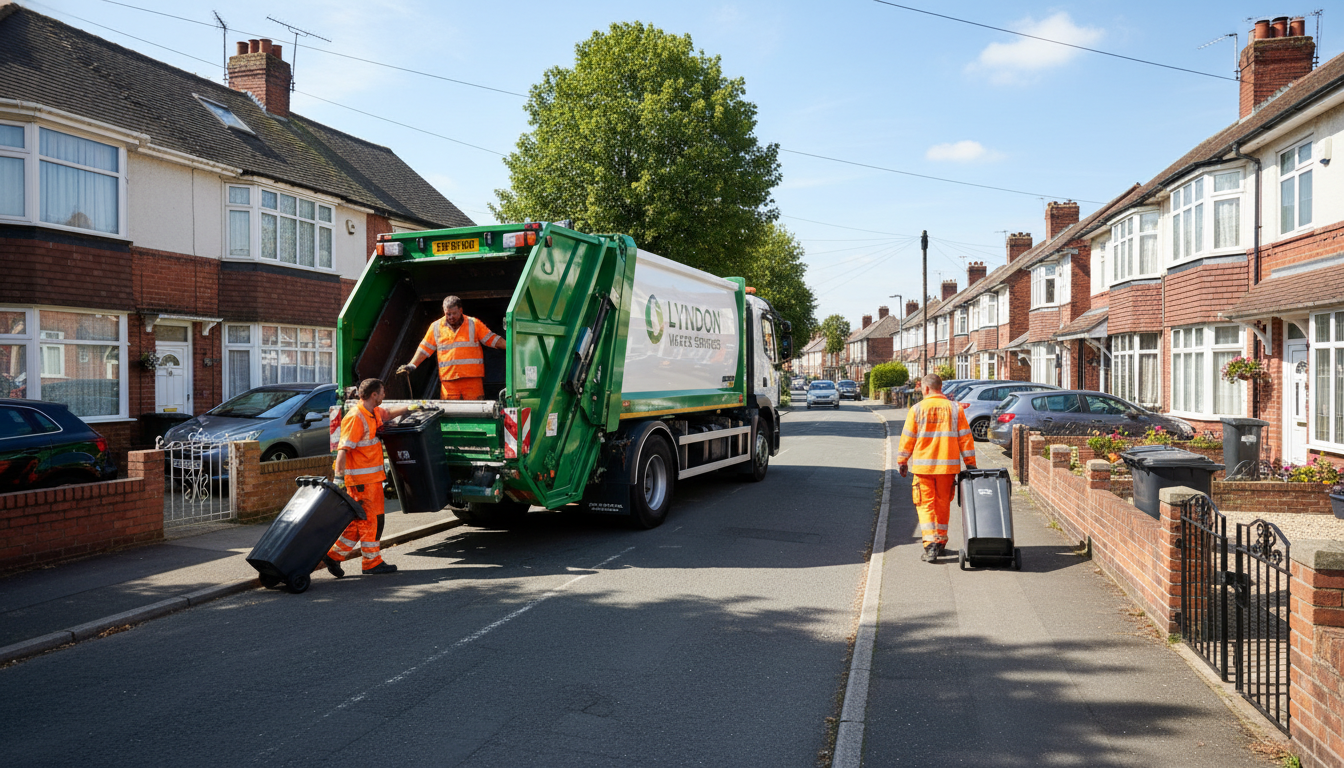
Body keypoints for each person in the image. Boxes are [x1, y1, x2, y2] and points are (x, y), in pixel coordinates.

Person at [322, 378, 414, 577]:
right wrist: (339, 479)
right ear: (374, 395)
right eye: (382, 393)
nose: (384, 396)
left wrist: (409, 408)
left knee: (361, 522)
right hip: (361, 483)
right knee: (371, 522)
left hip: (371, 480)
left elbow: (388, 413)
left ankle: (334, 556)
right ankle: (372, 562)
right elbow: (343, 451)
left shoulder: (371, 412)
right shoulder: (356, 417)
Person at [896, 373, 977, 563]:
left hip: (924, 469)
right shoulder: (955, 409)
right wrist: (970, 463)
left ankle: (930, 544)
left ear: (925, 389)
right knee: (942, 505)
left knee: (925, 505)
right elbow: (965, 438)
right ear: (941, 387)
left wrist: (902, 460)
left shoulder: (917, 409)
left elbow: (908, 437)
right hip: (948, 469)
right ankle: (940, 542)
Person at [397, 296, 506, 400]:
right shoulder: (436, 327)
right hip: (448, 382)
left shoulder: (474, 324)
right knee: (450, 413)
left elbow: (492, 339)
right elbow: (424, 349)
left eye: (454, 313)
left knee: (475, 412)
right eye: (448, 314)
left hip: (472, 380)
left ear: (461, 310)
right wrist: (412, 365)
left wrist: (509, 346)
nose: (451, 317)